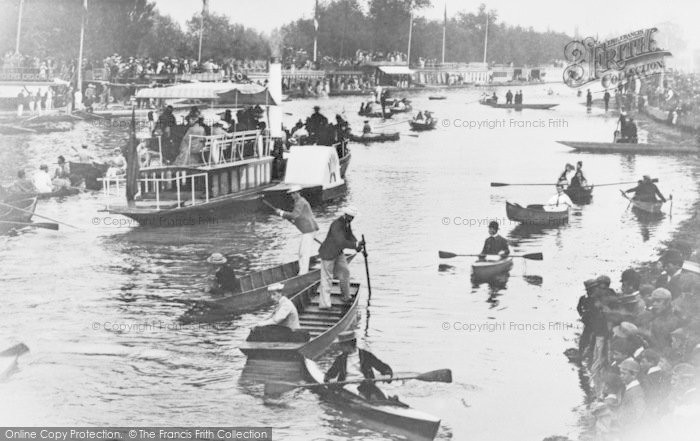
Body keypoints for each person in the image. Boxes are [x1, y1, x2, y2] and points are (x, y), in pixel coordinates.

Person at [324, 330, 394, 400]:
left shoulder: (366, 355)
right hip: (349, 385)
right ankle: (368, 399)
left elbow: (383, 367)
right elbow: (330, 374)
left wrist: (387, 374)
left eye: (341, 345)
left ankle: (382, 398)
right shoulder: (340, 359)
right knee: (357, 391)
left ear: (348, 345)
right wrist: (329, 380)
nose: (340, 347)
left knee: (373, 388)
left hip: (367, 384)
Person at [318, 206, 364, 309]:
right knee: (327, 278)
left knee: (345, 272)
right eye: (351, 217)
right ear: (346, 215)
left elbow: (350, 236)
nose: (352, 219)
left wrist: (357, 243)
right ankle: (325, 304)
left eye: (353, 217)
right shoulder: (336, 224)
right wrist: (355, 246)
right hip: (328, 253)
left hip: (338, 252)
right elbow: (341, 241)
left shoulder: (346, 223)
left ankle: (346, 296)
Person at [276, 185, 319, 275]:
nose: (292, 195)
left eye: (293, 193)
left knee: (304, 253)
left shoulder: (300, 202)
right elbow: (297, 217)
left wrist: (282, 213)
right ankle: (302, 271)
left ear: (297, 193)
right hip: (308, 230)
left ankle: (303, 273)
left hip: (309, 230)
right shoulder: (299, 202)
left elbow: (295, 215)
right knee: (301, 253)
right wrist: (284, 215)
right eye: (291, 194)